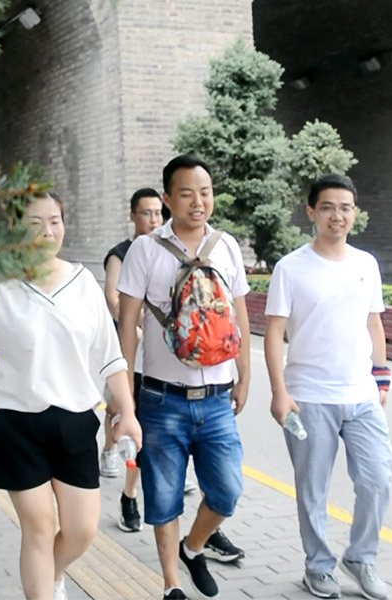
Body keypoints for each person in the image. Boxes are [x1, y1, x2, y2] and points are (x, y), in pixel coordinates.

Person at [0, 192, 143, 600]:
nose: (48, 232)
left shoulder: (83, 283)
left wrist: (129, 412)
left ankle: (51, 576)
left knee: (82, 529)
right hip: (15, 422)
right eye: (34, 224)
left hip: (75, 421)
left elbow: (111, 357)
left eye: (55, 221)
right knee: (39, 525)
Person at [117, 155, 250, 600]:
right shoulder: (145, 250)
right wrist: (125, 395)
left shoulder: (227, 246)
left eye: (205, 192)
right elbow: (128, 324)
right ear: (168, 199)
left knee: (227, 490)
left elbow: (240, 316)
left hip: (216, 397)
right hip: (160, 398)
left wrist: (245, 376)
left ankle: (193, 548)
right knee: (163, 496)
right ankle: (172, 584)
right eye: (187, 193)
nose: (198, 202)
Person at [264, 173, 392, 600]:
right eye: (327, 208)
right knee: (312, 491)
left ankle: (361, 557)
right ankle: (318, 567)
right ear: (311, 213)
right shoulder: (290, 268)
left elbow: (374, 322)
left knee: (377, 479)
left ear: (354, 213)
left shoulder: (366, 264)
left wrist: (381, 375)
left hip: (362, 395)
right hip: (308, 396)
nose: (337, 216)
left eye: (345, 208)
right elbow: (274, 333)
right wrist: (279, 392)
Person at [101, 187, 163, 533]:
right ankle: (115, 460)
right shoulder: (120, 254)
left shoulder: (168, 249)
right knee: (124, 412)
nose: (154, 219)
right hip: (127, 352)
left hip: (165, 360)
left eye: (158, 212)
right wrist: (139, 322)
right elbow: (114, 300)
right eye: (146, 213)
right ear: (133, 216)